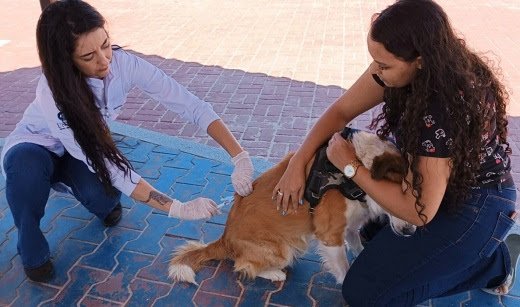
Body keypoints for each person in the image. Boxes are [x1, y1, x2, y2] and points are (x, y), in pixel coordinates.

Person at [272, 0, 517, 305]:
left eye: (384, 65)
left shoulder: (440, 109)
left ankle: (491, 264)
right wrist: (297, 162)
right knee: (371, 232)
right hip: (434, 188)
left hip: (477, 203)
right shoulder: (411, 64)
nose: (376, 72)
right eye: (375, 61)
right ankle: (469, 251)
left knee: (366, 293)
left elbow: (419, 211)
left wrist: (351, 167)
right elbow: (340, 111)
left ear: (421, 59)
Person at [1, 0, 254, 283]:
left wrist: (239, 156)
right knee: (25, 172)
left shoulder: (124, 64)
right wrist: (176, 207)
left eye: (105, 44)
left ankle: (94, 197)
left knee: (105, 202)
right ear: (65, 61)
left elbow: (189, 105)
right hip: (38, 146)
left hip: (83, 151)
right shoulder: (52, 92)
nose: (104, 60)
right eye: (88, 56)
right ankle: (32, 251)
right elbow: (108, 164)